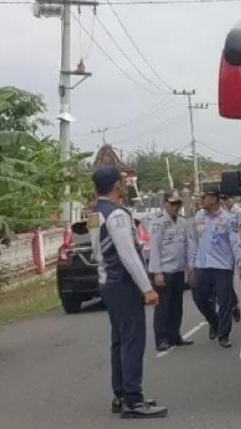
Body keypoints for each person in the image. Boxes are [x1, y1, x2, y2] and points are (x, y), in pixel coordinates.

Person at [88, 165, 168, 419]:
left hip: (106, 283)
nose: (123, 184)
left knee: (119, 341)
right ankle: (134, 400)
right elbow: (128, 254)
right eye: (121, 181)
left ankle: (121, 394)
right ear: (115, 186)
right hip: (122, 284)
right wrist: (147, 288)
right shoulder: (117, 215)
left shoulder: (95, 214)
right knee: (132, 341)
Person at [188, 184, 241, 348]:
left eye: (204, 197)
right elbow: (193, 241)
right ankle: (214, 322)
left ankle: (224, 335)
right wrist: (191, 264)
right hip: (202, 264)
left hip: (222, 266)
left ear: (213, 199)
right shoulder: (198, 216)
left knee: (224, 301)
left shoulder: (228, 219)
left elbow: (236, 243)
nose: (201, 200)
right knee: (198, 296)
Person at [148, 190, 193, 352]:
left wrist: (189, 267)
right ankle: (161, 339)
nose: (175, 207)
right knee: (163, 306)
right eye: (172, 204)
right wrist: (157, 272)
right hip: (164, 270)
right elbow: (154, 248)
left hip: (178, 269)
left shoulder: (181, 222)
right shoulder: (158, 222)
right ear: (165, 203)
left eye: (177, 204)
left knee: (176, 305)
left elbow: (185, 245)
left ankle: (175, 335)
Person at [221, 195, 241, 323]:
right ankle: (232, 304)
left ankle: (233, 304)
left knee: (231, 280)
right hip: (226, 249)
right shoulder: (224, 213)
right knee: (226, 281)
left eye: (228, 199)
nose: (226, 202)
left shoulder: (239, 211)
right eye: (224, 200)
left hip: (237, 246)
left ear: (233, 199)